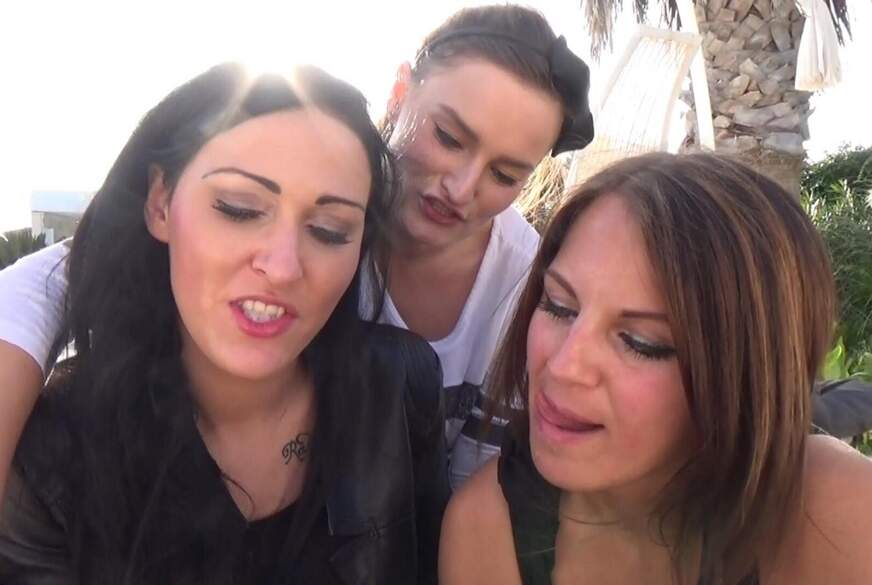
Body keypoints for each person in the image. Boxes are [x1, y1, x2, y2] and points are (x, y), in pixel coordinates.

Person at [0, 4, 596, 494]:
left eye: (505, 174)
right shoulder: (318, 190)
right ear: (399, 92)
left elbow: (487, 487)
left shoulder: (532, 290)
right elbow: (65, 275)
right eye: (447, 137)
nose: (461, 189)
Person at [0, 63, 449, 585]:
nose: (282, 267)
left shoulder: (400, 386)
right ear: (160, 204)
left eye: (329, 230)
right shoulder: (53, 456)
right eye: (238, 209)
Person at [440, 153, 872, 585]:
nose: (564, 365)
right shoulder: (486, 525)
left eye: (641, 342)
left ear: (744, 373)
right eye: (558, 305)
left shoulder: (836, 512)